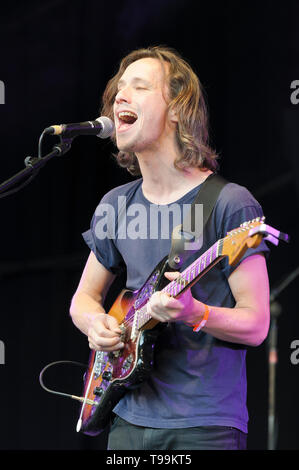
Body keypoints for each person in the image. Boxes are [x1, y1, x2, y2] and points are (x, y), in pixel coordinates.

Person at [69, 46, 270, 450]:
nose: (120, 97)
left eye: (139, 87)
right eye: (118, 90)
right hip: (126, 417)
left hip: (204, 425)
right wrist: (97, 325)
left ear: (178, 110)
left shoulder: (228, 203)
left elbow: (256, 325)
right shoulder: (116, 204)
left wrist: (195, 313)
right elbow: (83, 301)